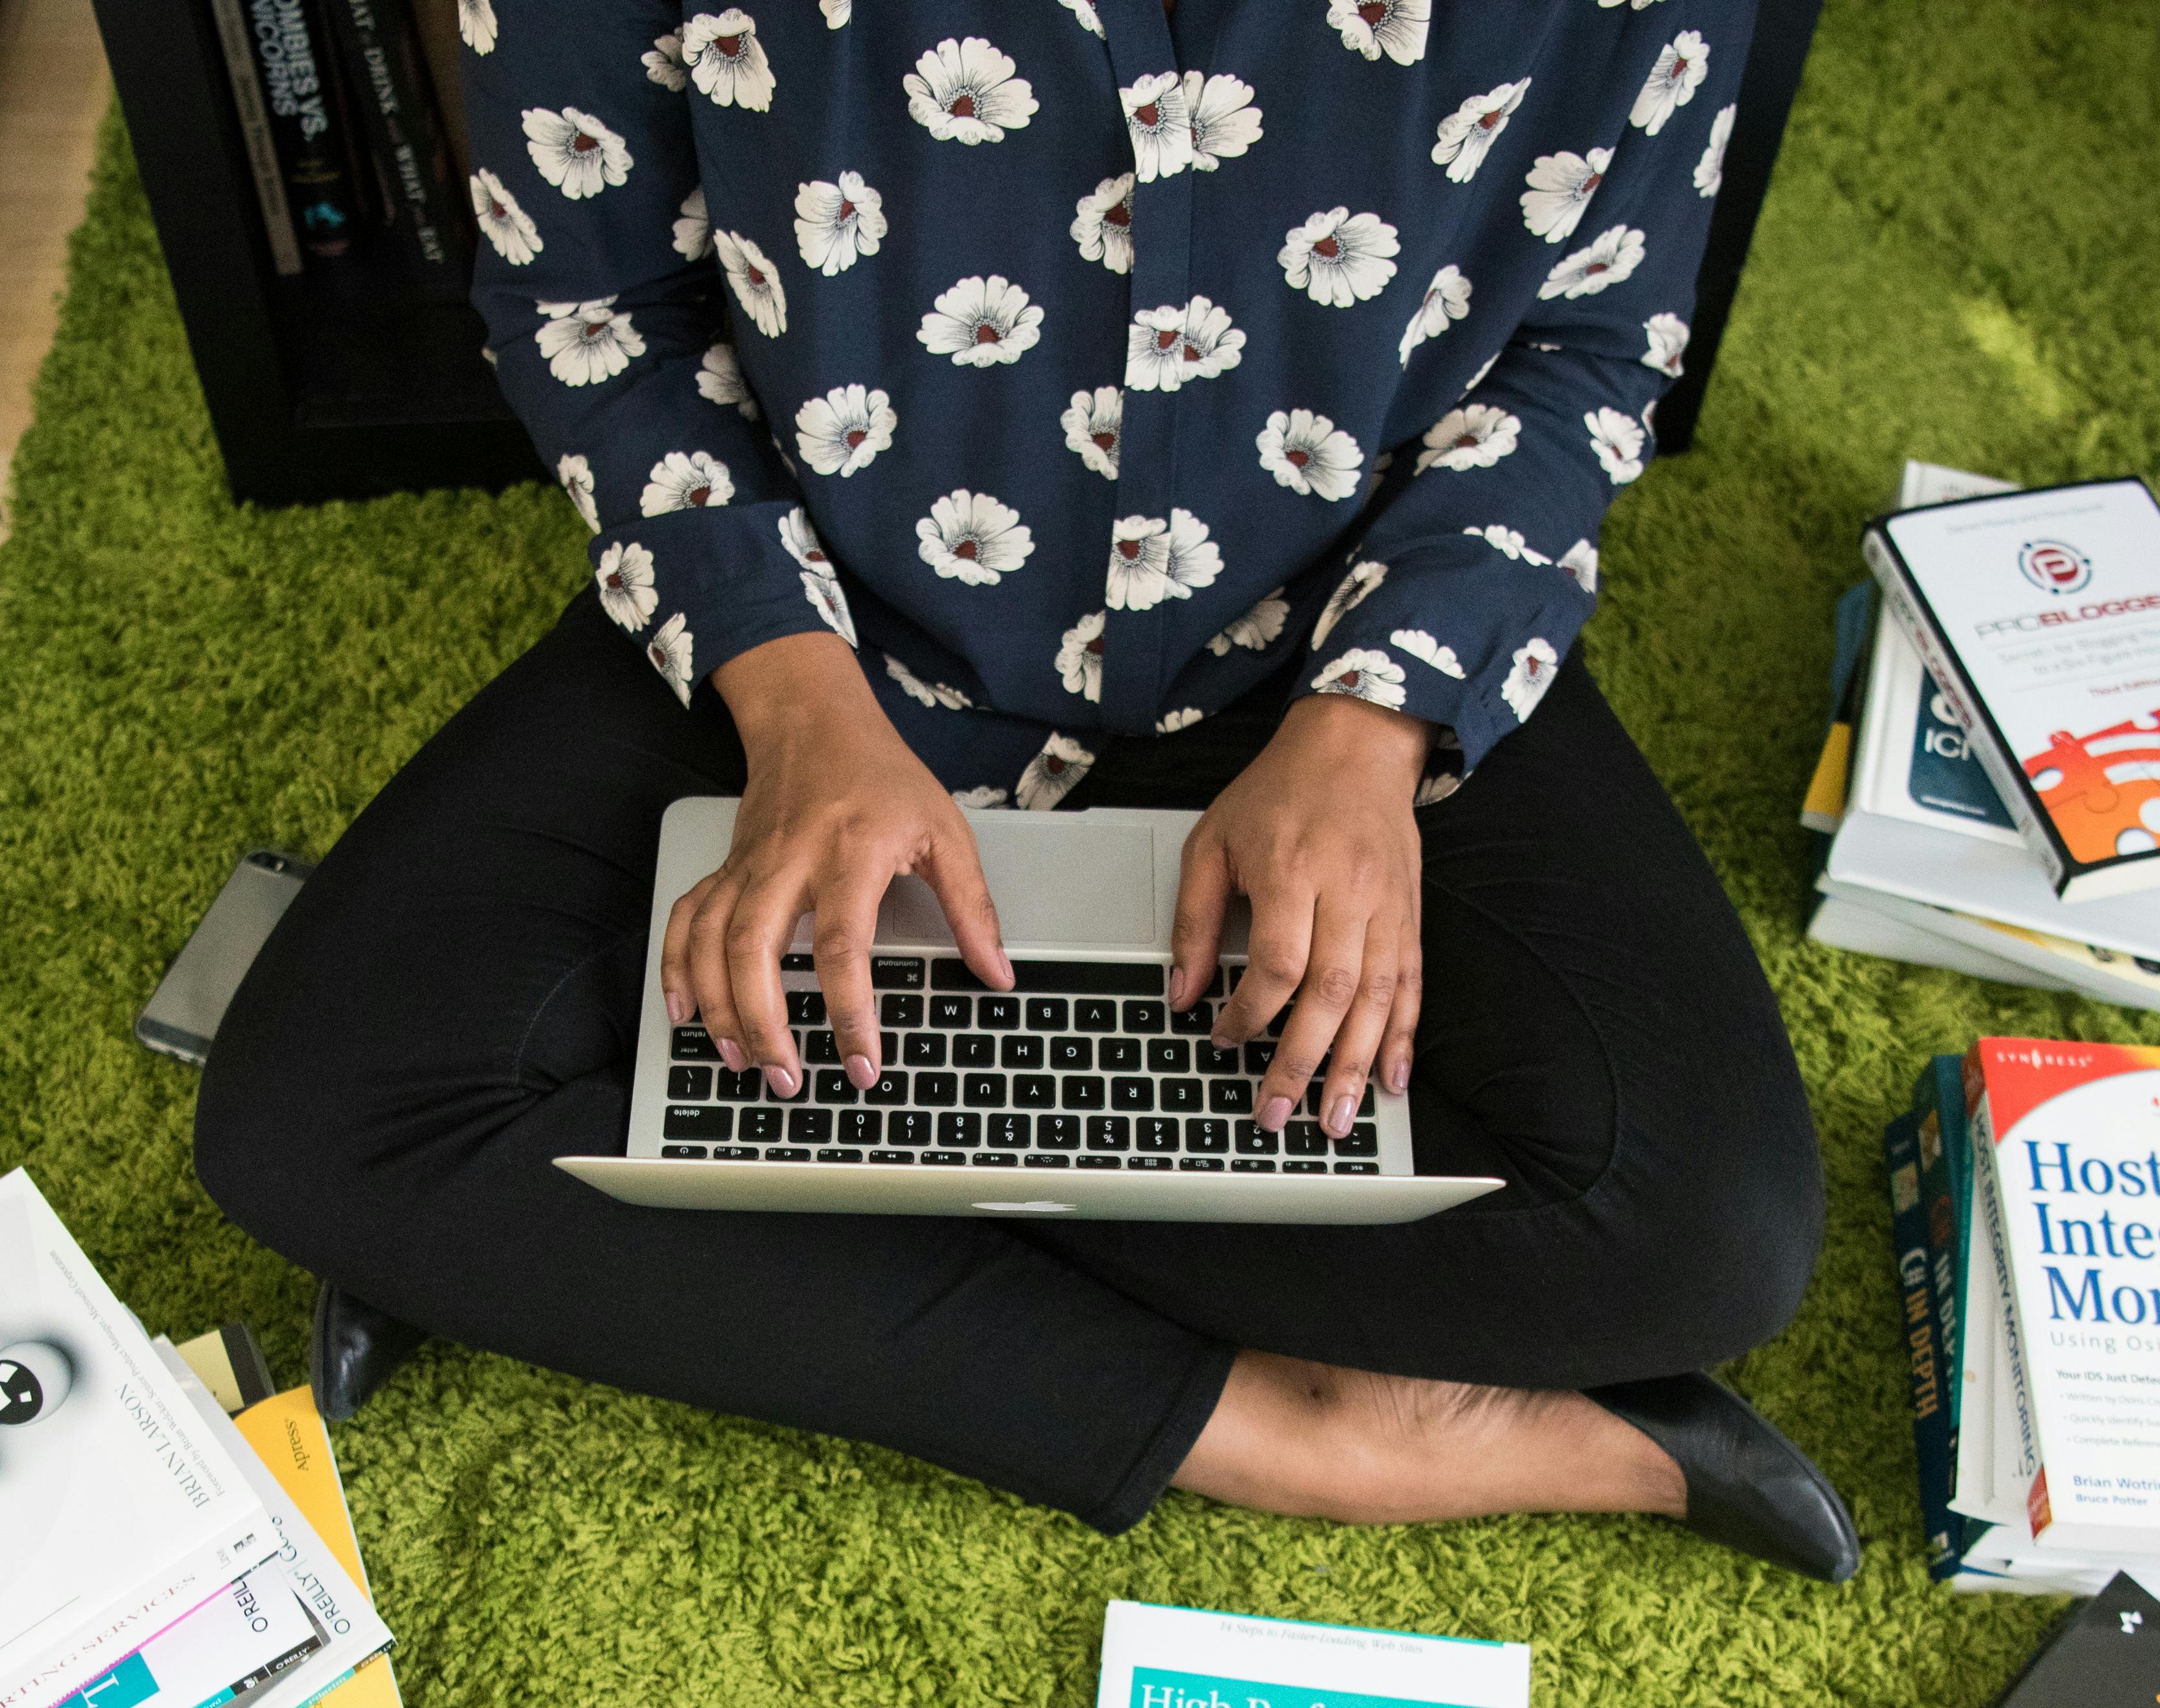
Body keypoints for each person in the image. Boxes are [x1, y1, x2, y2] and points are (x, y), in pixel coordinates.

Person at [197, 0, 1858, 1579]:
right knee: (315, 1112)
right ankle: (1300, 1425)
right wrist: (794, 703)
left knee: (1704, 1231)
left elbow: (1584, 344)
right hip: (828, 622)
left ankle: (604, 1227)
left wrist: (1370, 731)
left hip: (1327, 633)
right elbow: (591, 307)